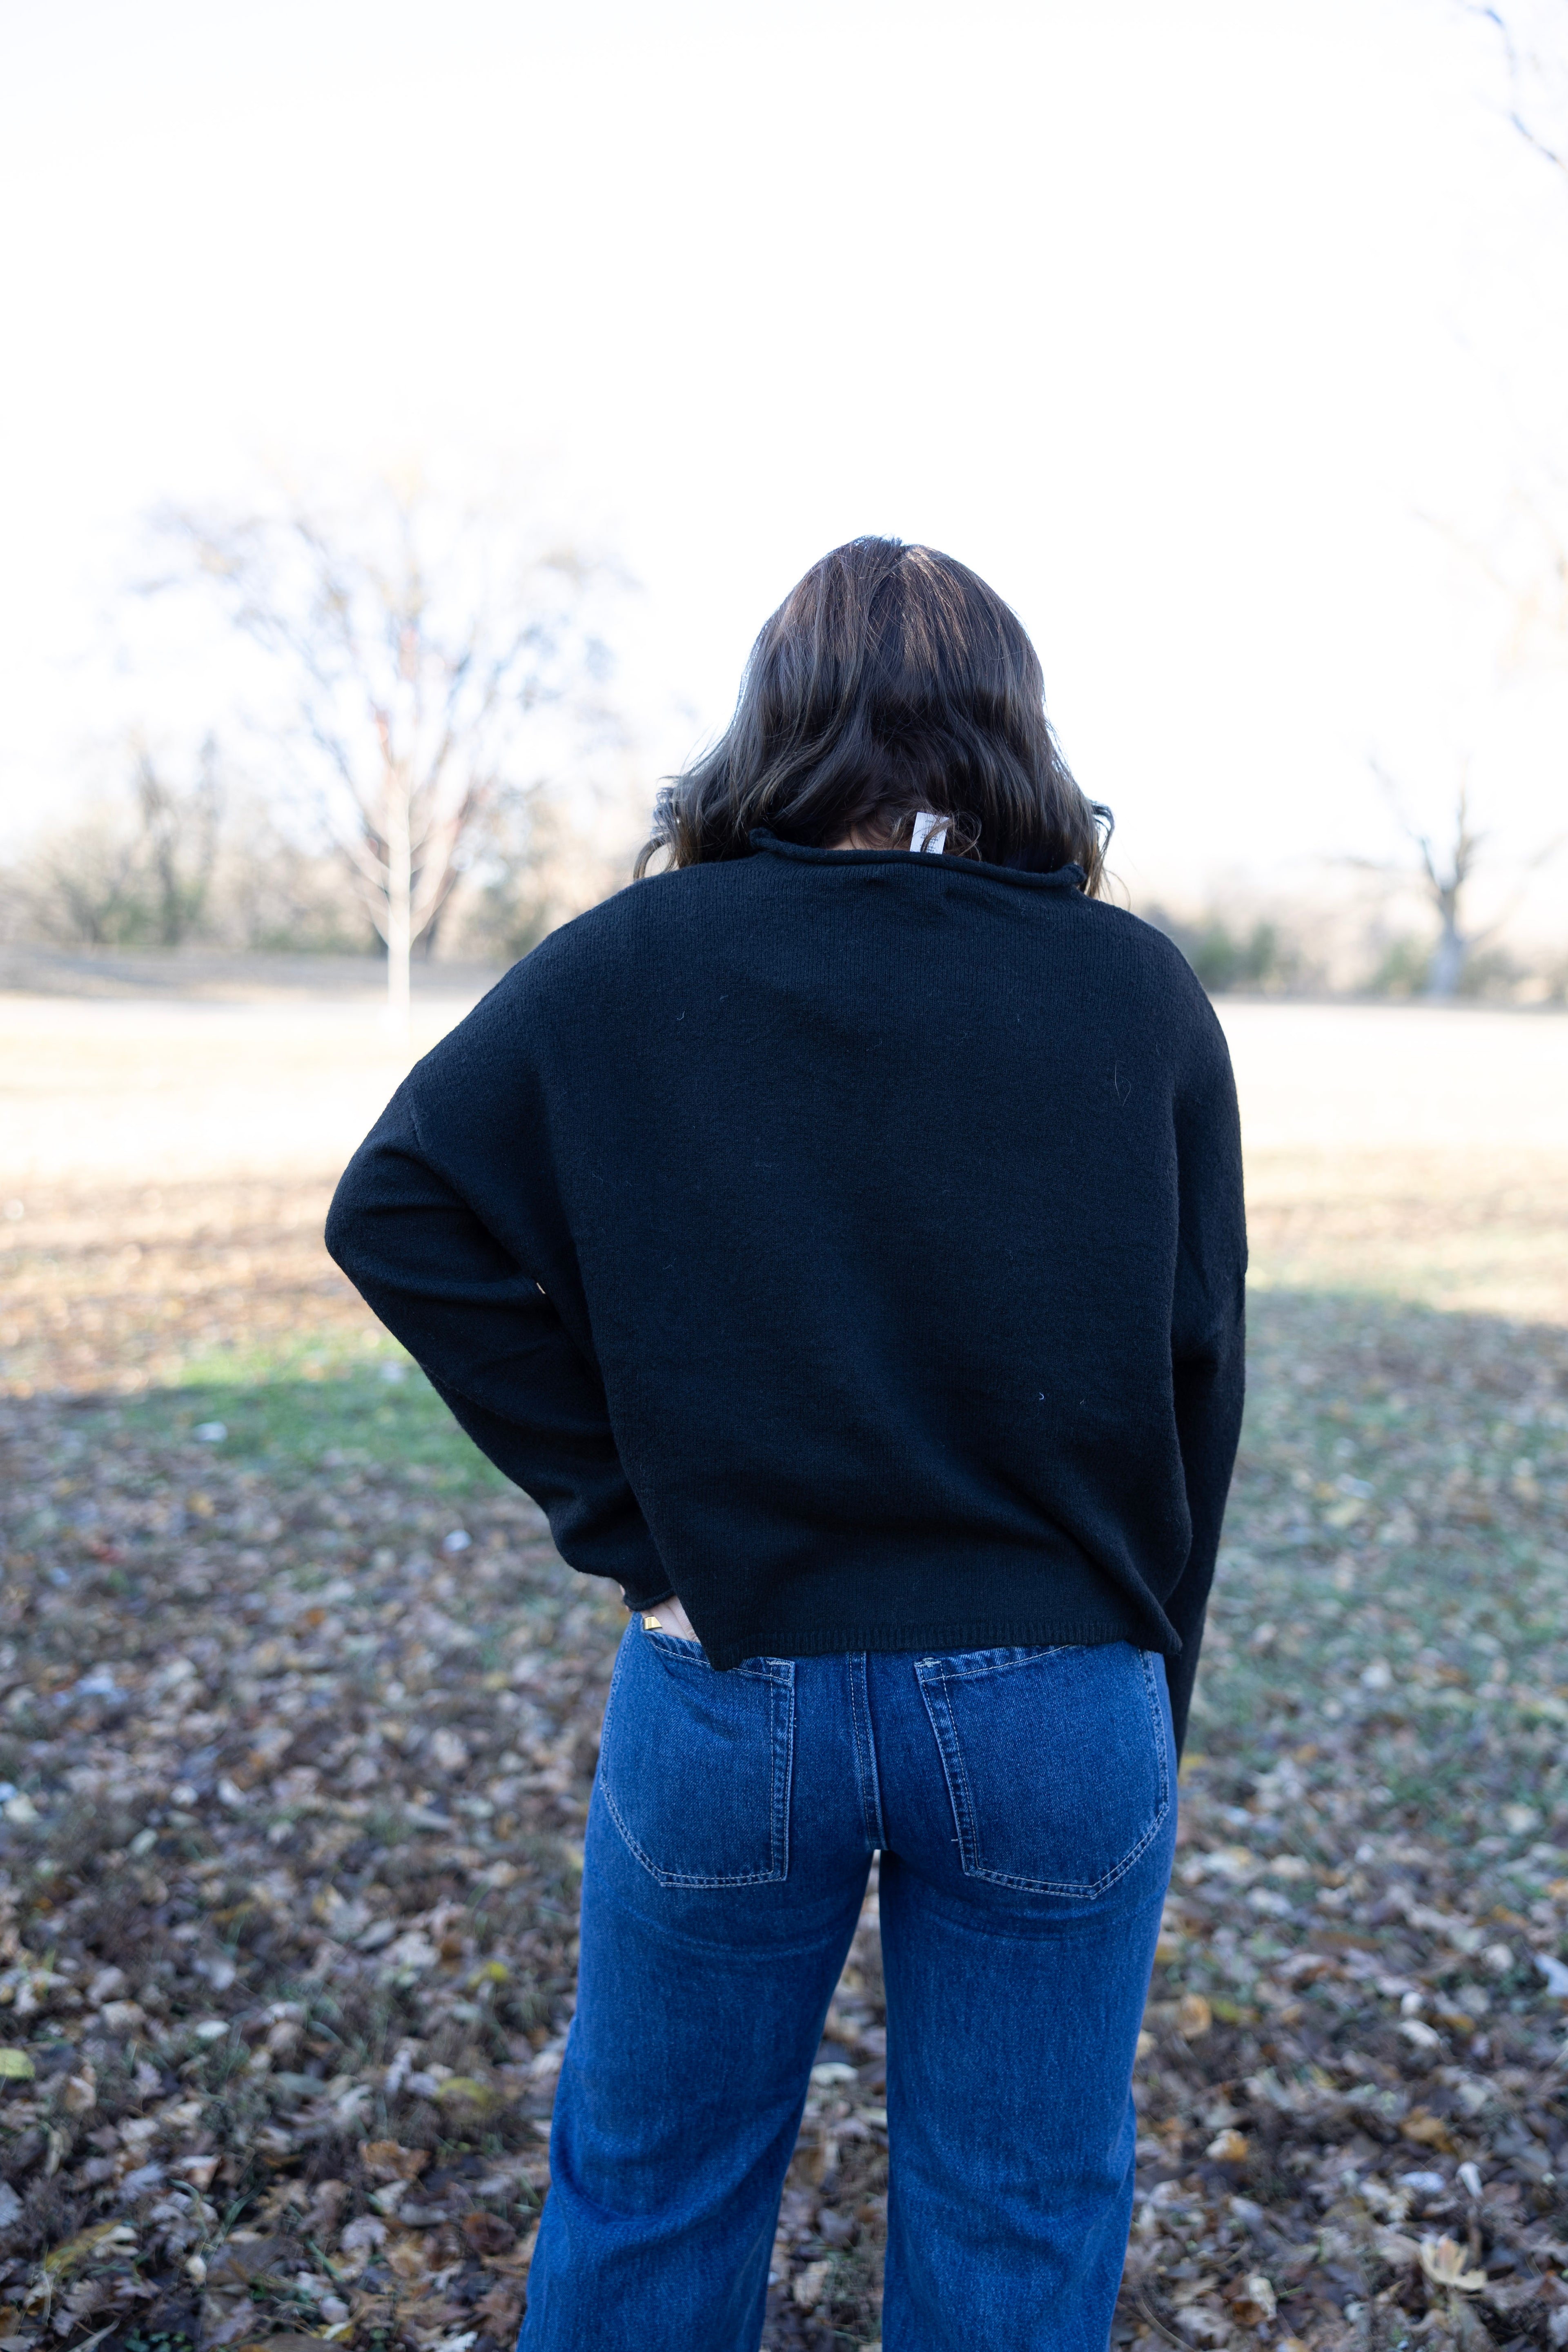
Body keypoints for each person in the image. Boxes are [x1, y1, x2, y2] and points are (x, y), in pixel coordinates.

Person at [325, 537, 1246, 2352]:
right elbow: (1198, 1370)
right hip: (1060, 1692)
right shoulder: (1136, 990)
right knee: (1022, 2210)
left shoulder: (632, 962)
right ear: (1015, 732)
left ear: (776, 721)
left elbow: (400, 1208)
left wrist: (636, 1530)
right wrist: (1159, 1692)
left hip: (732, 1676)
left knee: (653, 2191)